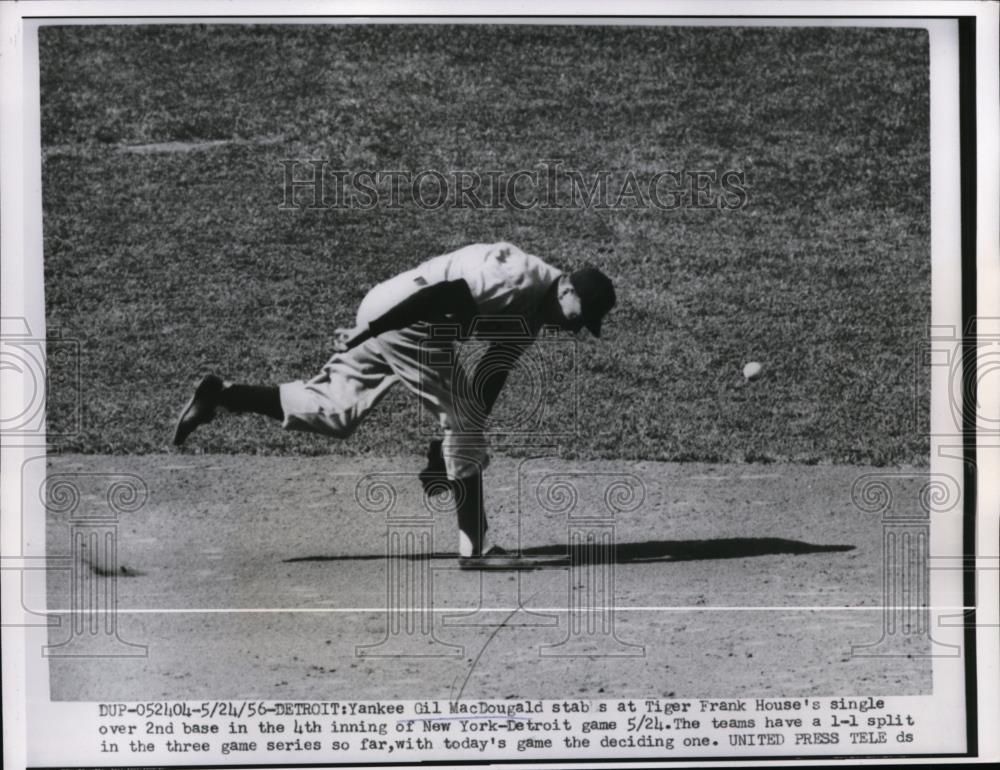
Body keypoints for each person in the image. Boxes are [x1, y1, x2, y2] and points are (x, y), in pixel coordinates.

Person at [173, 241, 615, 564]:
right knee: (461, 423)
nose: (578, 330)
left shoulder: (534, 314)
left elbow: (491, 373)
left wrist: (446, 445)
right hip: (405, 317)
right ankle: (476, 548)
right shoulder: (512, 277)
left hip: (394, 313)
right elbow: (437, 297)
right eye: (582, 318)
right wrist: (369, 332)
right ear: (567, 291)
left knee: (335, 411)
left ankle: (223, 395)